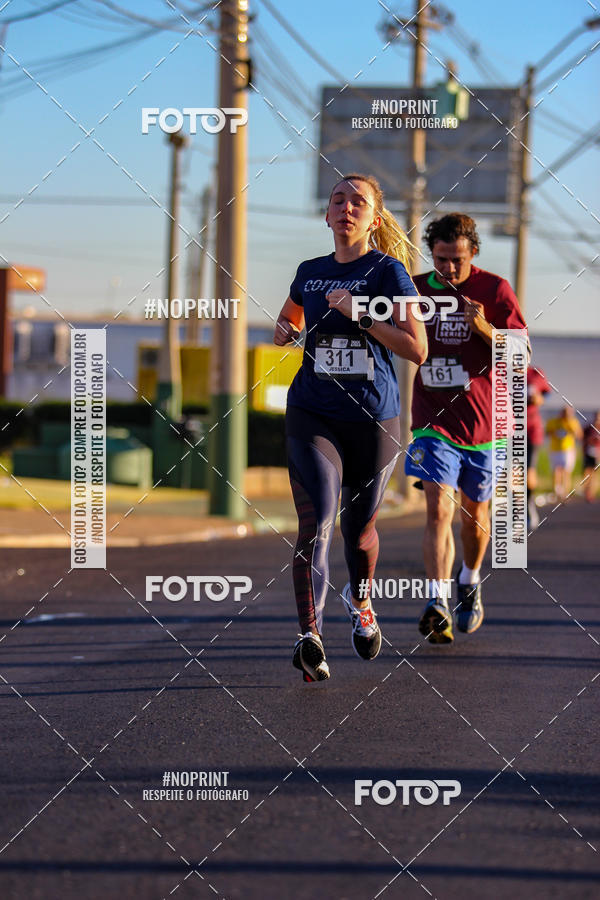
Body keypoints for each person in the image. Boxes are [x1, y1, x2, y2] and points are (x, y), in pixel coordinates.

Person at [274, 173, 427, 681]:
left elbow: (417, 348)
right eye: (337, 200)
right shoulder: (310, 271)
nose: (346, 208)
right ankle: (310, 637)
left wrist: (361, 315)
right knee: (315, 523)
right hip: (312, 412)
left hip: (372, 417)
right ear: (326, 215)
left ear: (374, 218)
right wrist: (286, 330)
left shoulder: (388, 271)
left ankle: (361, 602)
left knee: (357, 529)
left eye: (357, 202)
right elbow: (289, 316)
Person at [405, 212, 527, 643]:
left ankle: (469, 580)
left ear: (473, 253)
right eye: (441, 260)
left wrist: (482, 328)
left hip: (486, 426)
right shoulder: (416, 289)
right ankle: (437, 601)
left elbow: (519, 355)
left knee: (476, 517)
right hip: (432, 423)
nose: (449, 269)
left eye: (457, 259)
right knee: (438, 509)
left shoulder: (494, 289)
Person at [526, 365, 552, 528]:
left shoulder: (536, 373)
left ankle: (528, 503)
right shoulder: (501, 370)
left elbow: (544, 397)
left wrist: (537, 399)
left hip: (531, 429)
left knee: (529, 470)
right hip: (509, 428)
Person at [546, 405, 583, 501]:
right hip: (555, 449)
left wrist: (571, 427)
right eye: (565, 412)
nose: (566, 415)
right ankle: (557, 492)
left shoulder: (573, 422)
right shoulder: (553, 421)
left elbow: (579, 435)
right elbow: (547, 433)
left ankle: (565, 494)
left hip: (567, 450)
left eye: (569, 413)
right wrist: (554, 432)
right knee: (556, 471)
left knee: (566, 472)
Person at [583, 411, 600, 502]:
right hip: (588, 453)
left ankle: (592, 493)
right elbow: (582, 437)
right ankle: (587, 492)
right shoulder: (589, 428)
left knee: (594, 475)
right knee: (587, 474)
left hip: (597, 455)